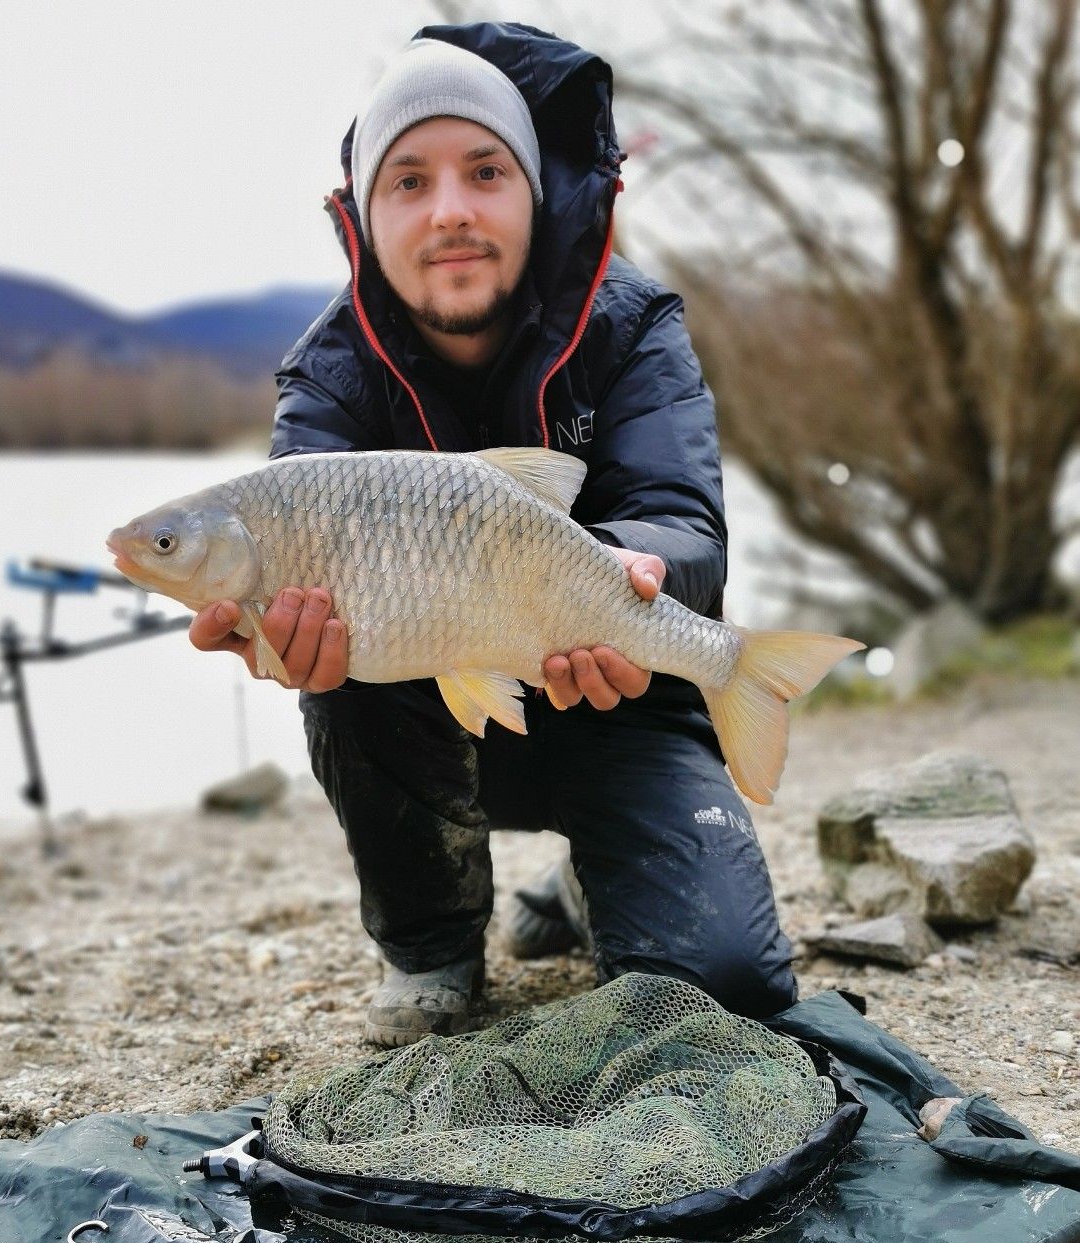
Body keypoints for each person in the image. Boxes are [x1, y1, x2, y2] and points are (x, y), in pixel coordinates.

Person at [189, 21, 798, 1044]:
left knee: (723, 994)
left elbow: (684, 522)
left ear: (533, 191)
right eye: (409, 181)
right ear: (364, 217)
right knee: (340, 658)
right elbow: (291, 545)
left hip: (623, 679)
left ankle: (590, 870)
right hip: (433, 716)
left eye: (483, 171)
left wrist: (642, 574)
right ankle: (429, 947)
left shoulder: (632, 322)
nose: (451, 211)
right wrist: (275, 642)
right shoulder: (327, 375)